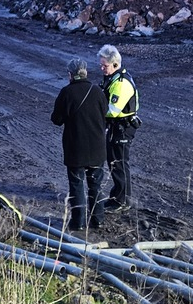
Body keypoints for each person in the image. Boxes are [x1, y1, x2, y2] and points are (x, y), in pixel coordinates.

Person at [51, 58, 108, 232]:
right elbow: (105, 113)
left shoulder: (66, 92)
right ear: (85, 72)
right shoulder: (97, 91)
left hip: (76, 148)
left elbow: (56, 119)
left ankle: (79, 223)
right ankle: (98, 220)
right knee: (95, 185)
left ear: (70, 74)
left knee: (76, 185)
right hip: (97, 148)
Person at [98, 44, 138, 212]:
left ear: (115, 64)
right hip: (117, 127)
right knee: (114, 162)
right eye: (101, 65)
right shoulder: (113, 78)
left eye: (105, 65)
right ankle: (117, 197)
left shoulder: (121, 83)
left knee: (119, 163)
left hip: (122, 127)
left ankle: (123, 201)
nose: (102, 68)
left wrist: (95, 112)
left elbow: (112, 111)